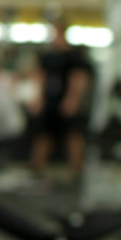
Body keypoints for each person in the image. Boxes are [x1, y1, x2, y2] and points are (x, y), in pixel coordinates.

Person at [28, 18, 93, 181]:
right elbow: (41, 77)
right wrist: (38, 99)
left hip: (66, 101)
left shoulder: (73, 56)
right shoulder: (48, 56)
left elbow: (78, 78)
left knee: (72, 135)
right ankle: (37, 168)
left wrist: (72, 100)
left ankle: (77, 170)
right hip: (50, 101)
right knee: (44, 135)